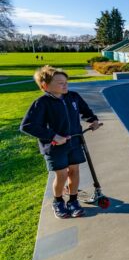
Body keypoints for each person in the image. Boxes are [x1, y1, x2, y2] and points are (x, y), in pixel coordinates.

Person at [20, 65, 100, 218]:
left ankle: (73, 200)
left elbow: (85, 110)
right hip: (55, 147)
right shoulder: (42, 103)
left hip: (74, 143)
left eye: (66, 82)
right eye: (60, 83)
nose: (65, 85)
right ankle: (58, 201)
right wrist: (53, 136)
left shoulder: (73, 96)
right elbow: (27, 126)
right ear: (45, 86)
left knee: (74, 171)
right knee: (62, 174)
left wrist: (93, 120)